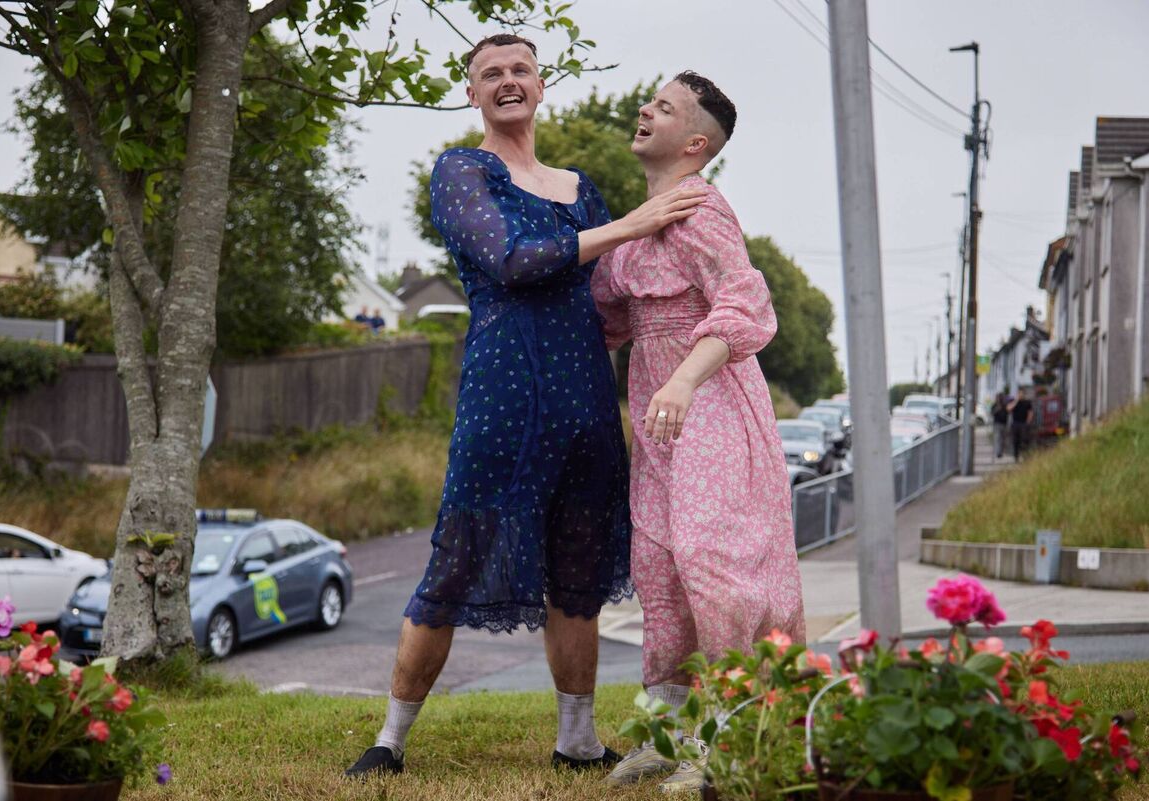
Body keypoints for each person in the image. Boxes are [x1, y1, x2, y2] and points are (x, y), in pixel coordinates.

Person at [344, 34, 706, 780]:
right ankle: (390, 739)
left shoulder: (581, 188)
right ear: (472, 94)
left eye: (520, 70)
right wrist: (636, 223)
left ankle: (577, 738)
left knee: (578, 576)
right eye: (491, 74)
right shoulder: (462, 171)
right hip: (502, 400)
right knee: (455, 562)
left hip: (587, 405)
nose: (508, 82)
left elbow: (616, 293)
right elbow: (514, 259)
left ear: (541, 85)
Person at [591, 72, 805, 792]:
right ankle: (663, 732)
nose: (644, 109)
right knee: (659, 569)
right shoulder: (639, 224)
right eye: (650, 99)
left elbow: (748, 303)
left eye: (665, 107)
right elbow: (613, 320)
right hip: (655, 412)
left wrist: (684, 377)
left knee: (713, 567)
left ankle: (725, 740)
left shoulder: (700, 209)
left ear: (695, 142)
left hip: (709, 399)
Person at [1007, 388, 1034, 462]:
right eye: (1019, 393)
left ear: (1024, 394)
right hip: (1015, 423)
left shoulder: (1027, 402)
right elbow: (1009, 409)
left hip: (1023, 423)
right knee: (1015, 441)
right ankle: (1016, 456)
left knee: (1025, 440)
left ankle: (1025, 455)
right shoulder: (1013, 401)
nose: (1020, 395)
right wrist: (1016, 401)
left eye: (1022, 394)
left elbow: (1030, 412)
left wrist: (1028, 422)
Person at [990, 393, 1009, 459]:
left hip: (1004, 424)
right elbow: (992, 413)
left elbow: (1008, 412)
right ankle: (998, 453)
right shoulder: (994, 405)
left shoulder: (1005, 405)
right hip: (997, 424)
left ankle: (1001, 451)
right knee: (998, 438)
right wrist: (998, 408)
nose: (1000, 399)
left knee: (1003, 439)